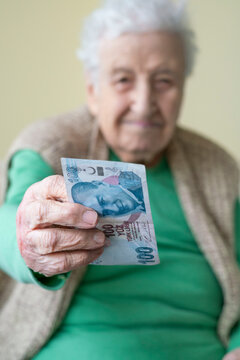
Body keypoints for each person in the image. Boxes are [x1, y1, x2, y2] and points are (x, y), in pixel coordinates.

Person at [0, 0, 239, 359]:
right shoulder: (50, 145)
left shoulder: (216, 167)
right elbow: (9, 223)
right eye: (123, 79)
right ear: (94, 92)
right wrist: (29, 239)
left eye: (164, 81)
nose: (144, 103)